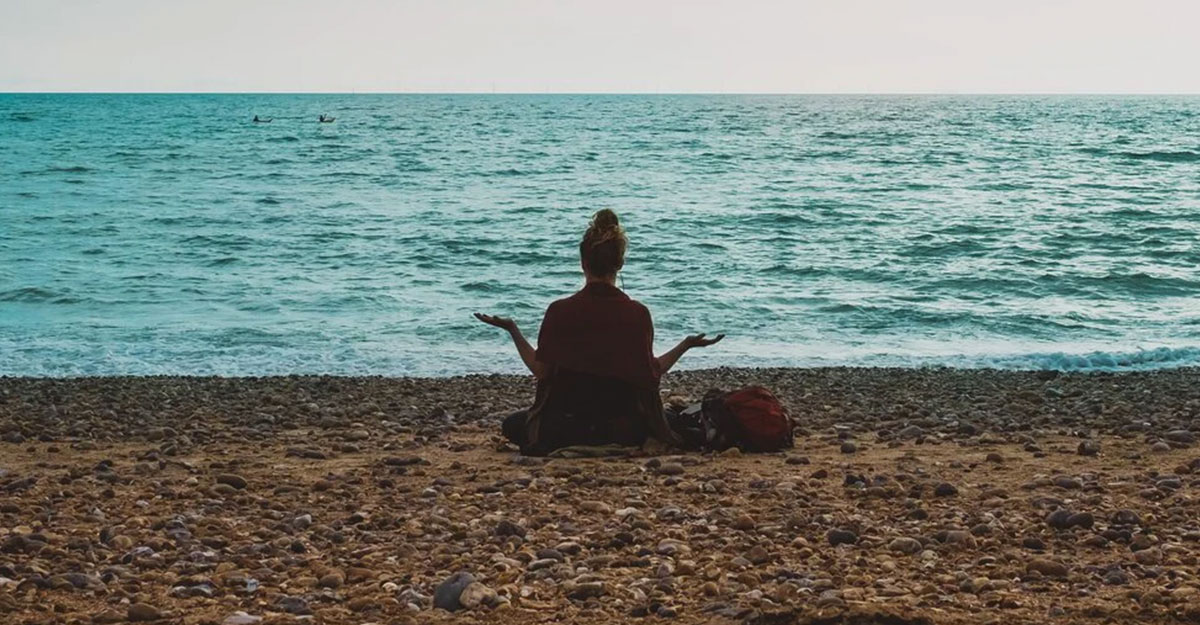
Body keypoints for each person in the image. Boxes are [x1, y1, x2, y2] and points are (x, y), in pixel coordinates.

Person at [475, 209, 724, 455]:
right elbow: (651, 374)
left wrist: (513, 330)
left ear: (583, 263)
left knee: (513, 425)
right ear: (620, 263)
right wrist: (685, 345)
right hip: (623, 429)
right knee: (674, 418)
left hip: (564, 427)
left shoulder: (560, 311)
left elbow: (542, 372)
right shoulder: (637, 313)